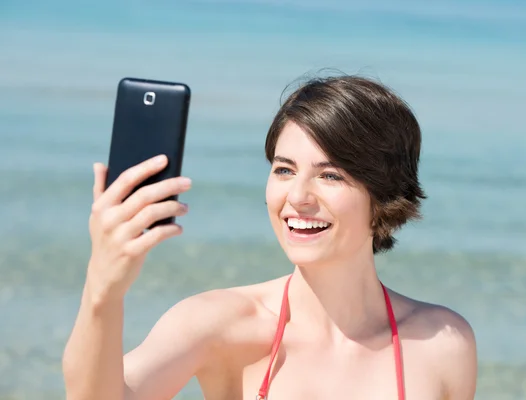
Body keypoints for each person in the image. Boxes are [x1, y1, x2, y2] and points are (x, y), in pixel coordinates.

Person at [62, 74, 478, 400]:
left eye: (330, 175)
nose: (297, 197)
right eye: (284, 169)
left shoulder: (442, 342)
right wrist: (103, 289)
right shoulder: (219, 325)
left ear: (385, 194)